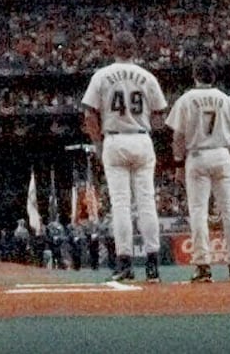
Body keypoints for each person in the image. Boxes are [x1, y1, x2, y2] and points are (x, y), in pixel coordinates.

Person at [80, 30, 167, 283]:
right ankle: (152, 264)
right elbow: (160, 114)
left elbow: (89, 114)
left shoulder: (102, 75)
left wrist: (97, 143)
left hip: (115, 138)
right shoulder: (147, 76)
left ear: (113, 48)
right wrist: (148, 130)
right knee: (147, 202)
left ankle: (125, 263)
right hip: (141, 136)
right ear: (134, 48)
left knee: (121, 205)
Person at [165, 58, 230, 282]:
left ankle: (202, 265)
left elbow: (177, 136)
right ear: (214, 76)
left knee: (198, 212)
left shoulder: (187, 98)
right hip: (221, 153)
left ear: (195, 76)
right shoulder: (225, 99)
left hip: (197, 155)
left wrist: (179, 163)